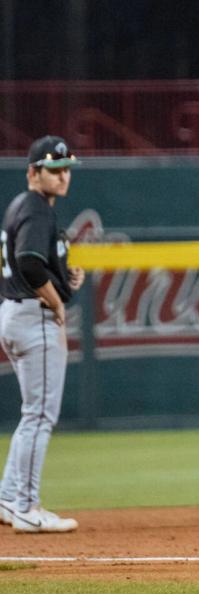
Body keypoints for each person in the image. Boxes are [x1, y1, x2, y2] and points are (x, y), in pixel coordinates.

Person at [0, 136, 85, 533]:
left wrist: (67, 282)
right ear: (33, 172)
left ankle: (7, 497)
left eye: (66, 169)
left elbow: (33, 264)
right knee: (39, 416)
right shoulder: (36, 209)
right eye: (54, 169)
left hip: (14, 314)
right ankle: (26, 506)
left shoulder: (22, 206)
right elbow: (29, 264)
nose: (63, 175)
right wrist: (56, 301)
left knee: (30, 414)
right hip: (34, 317)